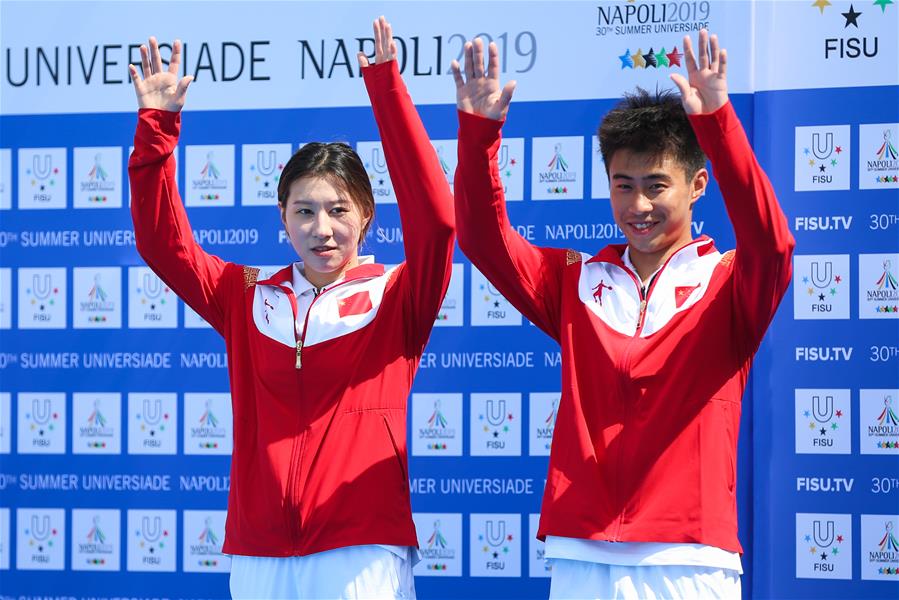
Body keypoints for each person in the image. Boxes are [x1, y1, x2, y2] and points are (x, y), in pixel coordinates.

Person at [451, 30, 794, 599]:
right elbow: (483, 238)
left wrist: (718, 124)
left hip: (688, 554)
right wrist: (479, 135)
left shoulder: (730, 283)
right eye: (623, 185)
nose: (638, 205)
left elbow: (771, 243)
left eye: (657, 186)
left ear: (697, 186)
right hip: (580, 549)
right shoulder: (573, 281)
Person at [128, 17, 454, 599]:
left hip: (361, 549)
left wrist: (386, 89)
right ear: (282, 219)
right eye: (304, 212)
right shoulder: (245, 295)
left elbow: (437, 220)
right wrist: (157, 128)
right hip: (260, 551)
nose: (322, 229)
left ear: (367, 216)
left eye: (339, 210)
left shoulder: (399, 295)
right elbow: (162, 242)